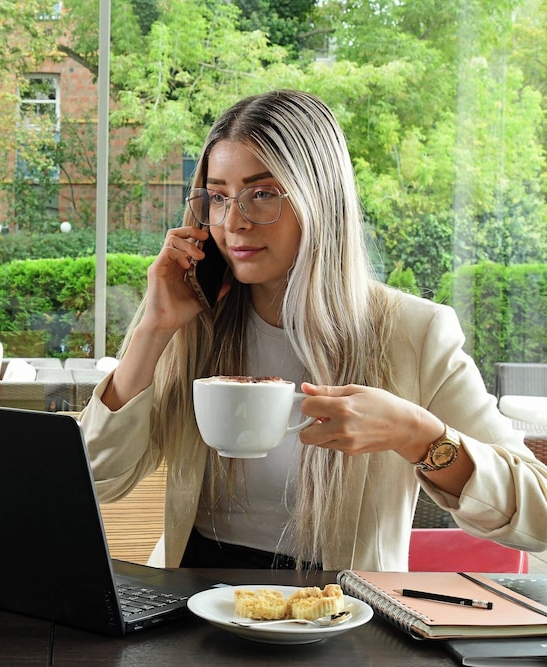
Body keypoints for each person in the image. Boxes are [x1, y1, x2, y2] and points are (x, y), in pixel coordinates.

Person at [79, 89, 547, 571]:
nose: (233, 222)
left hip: (343, 614)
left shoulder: (416, 332)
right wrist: (153, 331)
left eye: (262, 194)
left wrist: (418, 436)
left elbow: (539, 511)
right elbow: (95, 480)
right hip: (192, 601)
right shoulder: (194, 322)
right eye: (218, 197)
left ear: (319, 198)